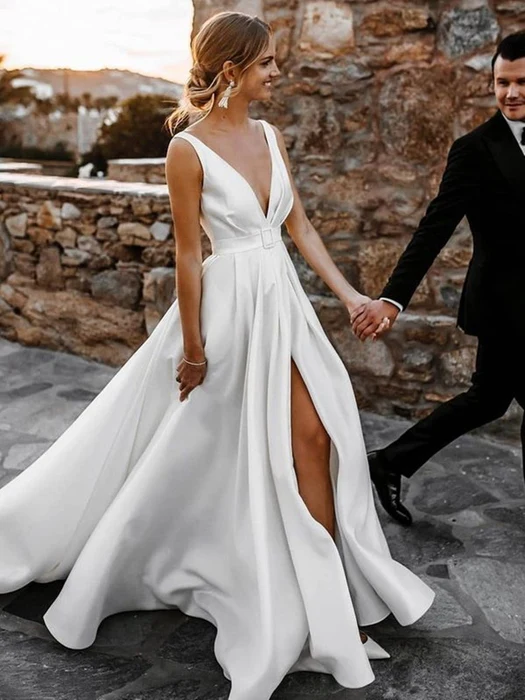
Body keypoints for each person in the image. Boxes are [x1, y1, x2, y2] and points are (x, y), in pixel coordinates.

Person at [0, 12, 434, 699]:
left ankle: (330, 598)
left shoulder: (269, 134)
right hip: (228, 314)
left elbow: (297, 225)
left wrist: (352, 296)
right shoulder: (186, 150)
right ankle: (161, 552)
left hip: (282, 305)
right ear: (231, 70)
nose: (276, 74)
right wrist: (195, 348)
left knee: (315, 437)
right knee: (202, 451)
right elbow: (188, 254)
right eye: (266, 64)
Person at [351, 31, 525, 527]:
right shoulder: (475, 149)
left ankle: (388, 462)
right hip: (503, 306)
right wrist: (392, 299)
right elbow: (433, 229)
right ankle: (388, 462)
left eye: (522, 82)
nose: (511, 93)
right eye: (502, 82)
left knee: (488, 399)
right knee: (488, 398)